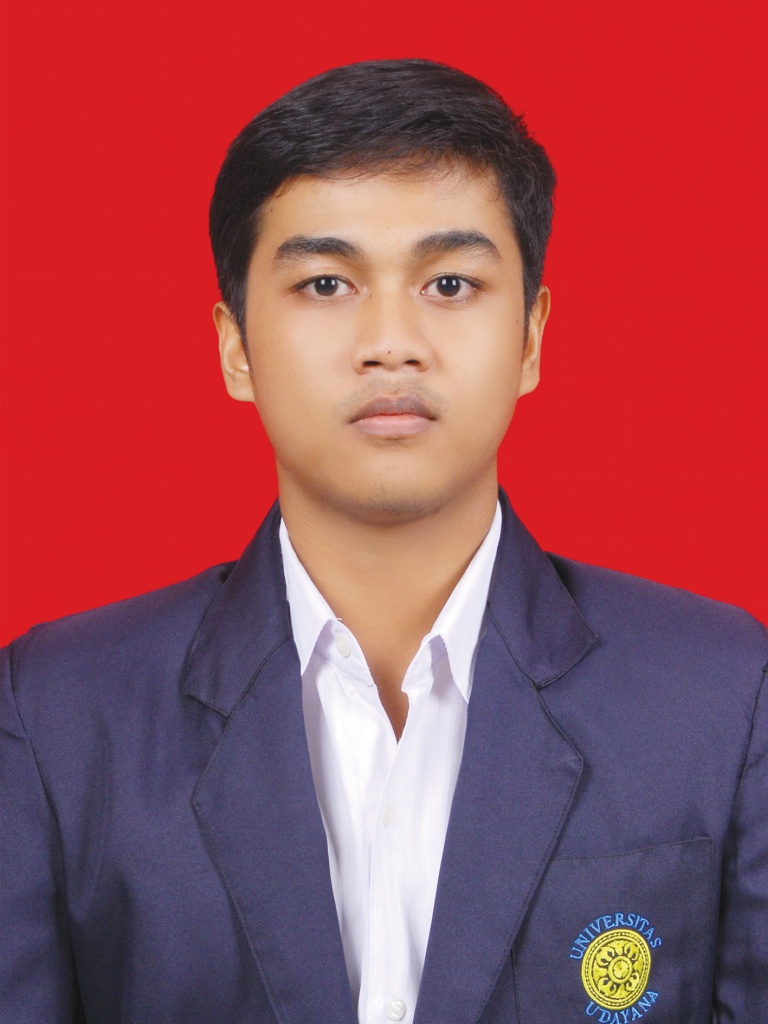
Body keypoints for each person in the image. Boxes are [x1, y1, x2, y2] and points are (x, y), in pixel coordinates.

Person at [1, 59, 766, 1024]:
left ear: (531, 338)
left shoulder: (724, 697)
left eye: (450, 283)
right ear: (236, 347)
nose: (391, 341)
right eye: (326, 283)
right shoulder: (60, 716)